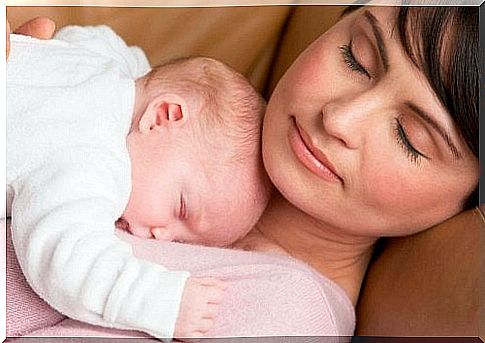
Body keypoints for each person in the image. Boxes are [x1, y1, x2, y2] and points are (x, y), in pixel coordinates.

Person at [7, 5, 479, 339]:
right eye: (356, 56)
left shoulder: (285, 318)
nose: (340, 117)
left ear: (468, 203)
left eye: (410, 137)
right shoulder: (179, 103)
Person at [6, 25, 270, 340]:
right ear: (162, 116)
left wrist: (149, 77)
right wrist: (162, 301)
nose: (161, 236)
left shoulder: (101, 62)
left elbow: (101, 37)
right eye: (181, 208)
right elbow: (65, 260)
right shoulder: (93, 161)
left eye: (180, 243)